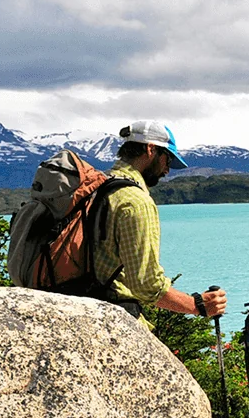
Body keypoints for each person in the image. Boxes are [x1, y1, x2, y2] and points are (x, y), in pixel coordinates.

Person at [95, 120, 226, 324]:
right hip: (109, 317)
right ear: (150, 149)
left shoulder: (97, 186)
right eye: (168, 159)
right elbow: (146, 285)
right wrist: (198, 305)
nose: (168, 170)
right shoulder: (135, 201)